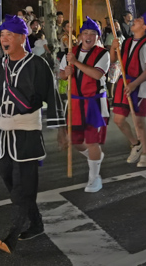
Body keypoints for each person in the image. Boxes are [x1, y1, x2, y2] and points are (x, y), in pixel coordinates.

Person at [0, 15, 66, 254]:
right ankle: (36, 223)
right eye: (2, 35)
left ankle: (13, 233)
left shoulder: (38, 65)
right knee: (9, 179)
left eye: (9, 35)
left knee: (23, 186)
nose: (3, 39)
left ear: (21, 38)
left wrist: (61, 128)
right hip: (2, 134)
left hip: (27, 134)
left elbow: (52, 96)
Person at [58, 17, 110, 193]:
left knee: (92, 140)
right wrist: (66, 72)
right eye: (85, 33)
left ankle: (94, 178)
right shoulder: (71, 52)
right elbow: (61, 75)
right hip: (74, 102)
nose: (89, 36)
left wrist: (76, 64)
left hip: (93, 101)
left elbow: (96, 74)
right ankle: (95, 158)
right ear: (80, 36)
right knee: (74, 140)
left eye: (93, 34)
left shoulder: (103, 53)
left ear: (97, 37)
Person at [111, 10, 146, 169]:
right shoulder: (127, 42)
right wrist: (113, 48)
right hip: (124, 83)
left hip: (139, 85)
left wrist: (135, 84)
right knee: (118, 119)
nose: (135, 20)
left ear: (145, 26)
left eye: (139, 20)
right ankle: (135, 144)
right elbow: (113, 60)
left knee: (139, 122)